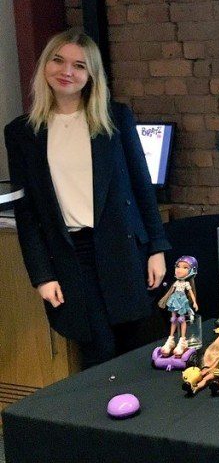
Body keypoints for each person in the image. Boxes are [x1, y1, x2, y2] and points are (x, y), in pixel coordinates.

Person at [4, 29, 170, 368]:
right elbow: (27, 213)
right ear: (45, 65)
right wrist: (42, 275)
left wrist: (157, 247)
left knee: (138, 350)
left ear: (91, 74)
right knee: (98, 353)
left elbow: (142, 186)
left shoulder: (115, 118)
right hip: (70, 257)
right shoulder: (21, 133)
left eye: (79, 65)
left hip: (123, 247)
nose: (67, 71)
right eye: (58, 60)